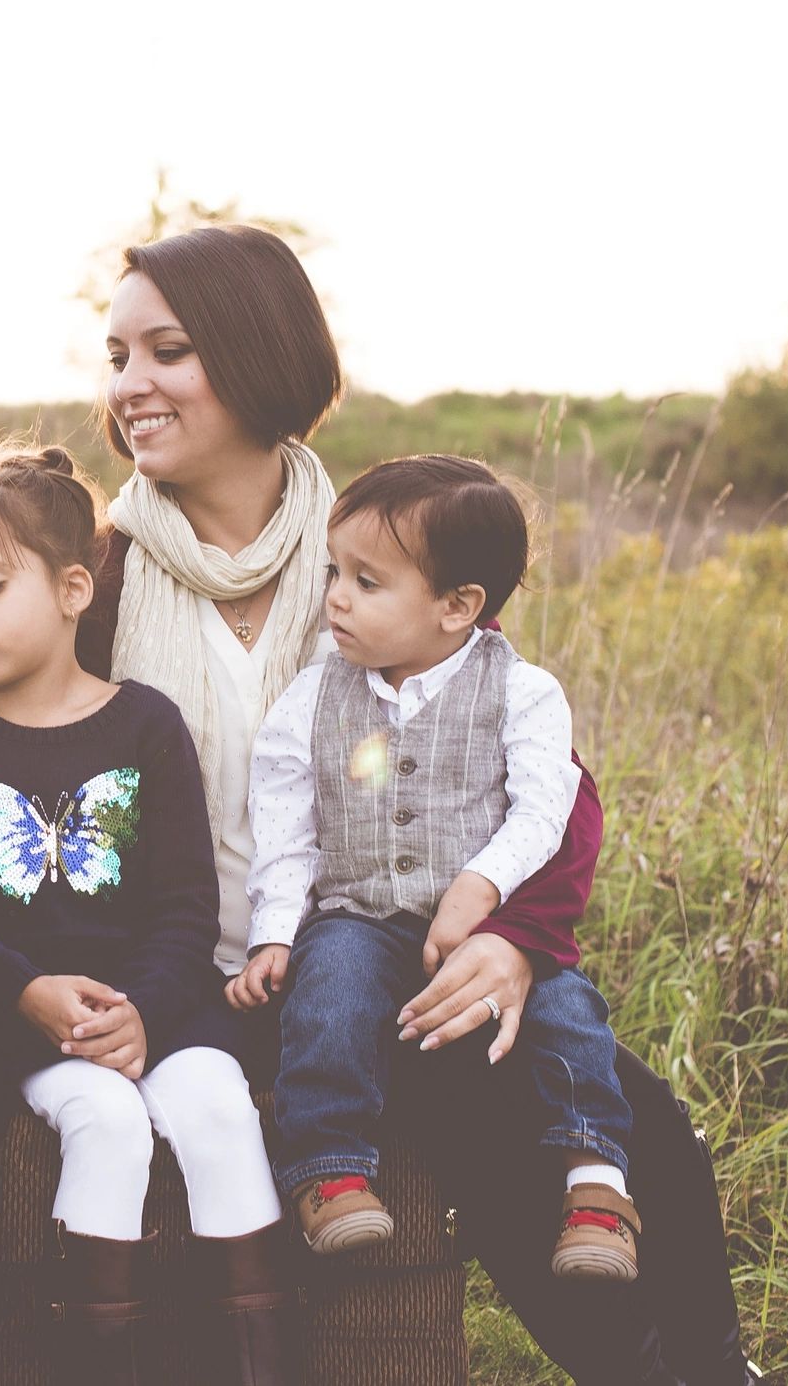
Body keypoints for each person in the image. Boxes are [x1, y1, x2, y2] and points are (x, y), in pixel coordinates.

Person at [75, 223, 759, 1385]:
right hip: (207, 979)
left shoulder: (372, 553)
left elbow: (541, 785)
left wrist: (507, 939)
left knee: (645, 1138)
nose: (129, 385)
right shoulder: (97, 579)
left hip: (390, 950)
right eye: (116, 354)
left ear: (253, 355)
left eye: (168, 350)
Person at [0, 447, 297, 1386]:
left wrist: (145, 1007)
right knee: (108, 1117)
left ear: (76, 588)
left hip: (159, 1005)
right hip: (15, 1019)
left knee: (217, 1104)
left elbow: (186, 901)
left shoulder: (145, 723)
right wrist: (27, 990)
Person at [230, 456, 641, 1280]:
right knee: (331, 984)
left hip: (487, 926)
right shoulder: (318, 691)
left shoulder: (522, 692)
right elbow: (285, 816)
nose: (336, 596)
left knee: (567, 1009)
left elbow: (543, 807)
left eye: (367, 581)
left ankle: (596, 1183)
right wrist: (275, 930)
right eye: (333, 572)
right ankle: (330, 1167)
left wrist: (484, 884)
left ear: (458, 607)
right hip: (361, 910)